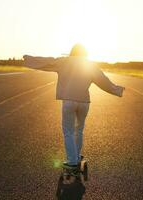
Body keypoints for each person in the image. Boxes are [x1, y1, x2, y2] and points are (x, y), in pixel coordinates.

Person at [23, 44, 124, 173]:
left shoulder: (64, 61)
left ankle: (72, 162)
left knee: (68, 131)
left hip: (69, 101)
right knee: (79, 130)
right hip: (84, 102)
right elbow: (103, 81)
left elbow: (46, 62)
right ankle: (76, 157)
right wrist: (118, 90)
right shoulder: (90, 65)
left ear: (72, 52)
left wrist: (28, 59)